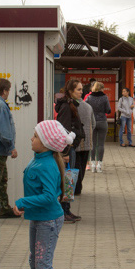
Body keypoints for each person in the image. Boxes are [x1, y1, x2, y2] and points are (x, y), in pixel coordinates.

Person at [12, 120, 74, 269]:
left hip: (48, 221)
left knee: (43, 264)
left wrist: (22, 202)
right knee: (35, 262)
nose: (31, 138)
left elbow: (49, 196)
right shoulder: (41, 158)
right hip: (39, 218)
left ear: (46, 143)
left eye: (36, 136)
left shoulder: (46, 164)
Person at [54, 79, 85, 223]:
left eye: (81, 89)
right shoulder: (66, 106)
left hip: (71, 148)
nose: (81, 92)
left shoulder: (71, 104)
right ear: (71, 91)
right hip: (68, 150)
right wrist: (65, 153)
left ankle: (66, 209)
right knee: (68, 180)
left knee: (70, 179)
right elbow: (64, 129)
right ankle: (63, 211)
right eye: (78, 89)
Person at [0, 79, 19, 218]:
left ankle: (4, 207)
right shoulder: (1, 105)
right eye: (9, 90)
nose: (9, 93)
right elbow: (3, 130)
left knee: (2, 180)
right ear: (4, 90)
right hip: (0, 150)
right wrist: (11, 147)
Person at [85, 81, 111, 172]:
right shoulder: (104, 97)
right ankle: (99, 165)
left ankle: (92, 165)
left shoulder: (89, 97)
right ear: (101, 88)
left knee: (92, 144)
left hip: (92, 122)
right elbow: (108, 110)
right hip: (102, 121)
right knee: (100, 144)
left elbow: (85, 108)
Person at [74, 90, 95, 196]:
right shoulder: (88, 107)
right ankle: (79, 185)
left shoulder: (71, 106)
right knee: (82, 163)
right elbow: (93, 123)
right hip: (87, 140)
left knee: (76, 164)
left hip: (75, 141)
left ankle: (76, 187)